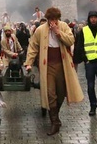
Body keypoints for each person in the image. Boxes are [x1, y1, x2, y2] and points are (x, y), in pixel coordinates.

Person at [24, 7, 84, 135]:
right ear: (47, 19)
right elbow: (33, 46)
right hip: (48, 66)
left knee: (61, 93)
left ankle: (55, 114)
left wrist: (58, 32)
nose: (53, 22)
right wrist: (29, 62)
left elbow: (71, 40)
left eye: (56, 19)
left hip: (62, 65)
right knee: (51, 93)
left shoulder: (63, 26)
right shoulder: (40, 30)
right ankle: (55, 122)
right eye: (51, 19)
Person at [73, 11, 97, 120]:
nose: (93, 19)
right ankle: (93, 106)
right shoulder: (83, 31)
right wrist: (85, 59)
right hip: (89, 63)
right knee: (90, 86)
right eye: (91, 18)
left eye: (95, 18)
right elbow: (79, 46)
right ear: (89, 19)